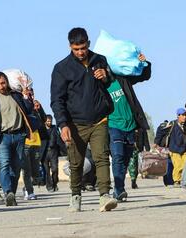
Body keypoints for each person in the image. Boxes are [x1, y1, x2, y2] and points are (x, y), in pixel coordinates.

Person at [50, 27, 117, 212]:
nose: (80, 52)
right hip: (75, 123)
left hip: (99, 119)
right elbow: (57, 100)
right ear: (70, 46)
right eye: (76, 49)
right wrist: (63, 124)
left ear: (88, 43)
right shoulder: (61, 68)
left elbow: (110, 79)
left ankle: (104, 196)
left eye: (83, 48)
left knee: (102, 157)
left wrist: (105, 76)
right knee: (76, 162)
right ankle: (75, 196)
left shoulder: (99, 60)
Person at [0, 72, 35, 207]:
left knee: (16, 167)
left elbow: (29, 109)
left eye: (3, 83)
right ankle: (7, 191)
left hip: (19, 135)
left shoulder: (16, 95)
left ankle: (11, 194)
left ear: (7, 82)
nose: (1, 86)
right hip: (2, 137)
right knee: (4, 164)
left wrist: (27, 96)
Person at [107, 53, 152, 202]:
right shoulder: (99, 86)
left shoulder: (122, 79)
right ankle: (119, 189)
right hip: (113, 125)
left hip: (130, 126)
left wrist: (145, 63)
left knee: (126, 159)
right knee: (118, 156)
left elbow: (143, 76)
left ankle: (119, 188)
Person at [167, 108, 186, 187]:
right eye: (182, 115)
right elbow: (161, 131)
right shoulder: (172, 124)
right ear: (178, 116)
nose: (184, 117)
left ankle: (183, 180)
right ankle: (177, 181)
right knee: (178, 165)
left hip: (184, 149)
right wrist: (157, 142)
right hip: (174, 149)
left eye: (185, 115)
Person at [43, 114, 60, 192]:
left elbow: (59, 139)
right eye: (48, 121)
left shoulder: (55, 128)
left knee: (55, 169)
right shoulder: (41, 129)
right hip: (44, 152)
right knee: (46, 170)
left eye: (50, 121)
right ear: (45, 121)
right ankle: (49, 186)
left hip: (53, 151)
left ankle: (55, 183)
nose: (49, 122)